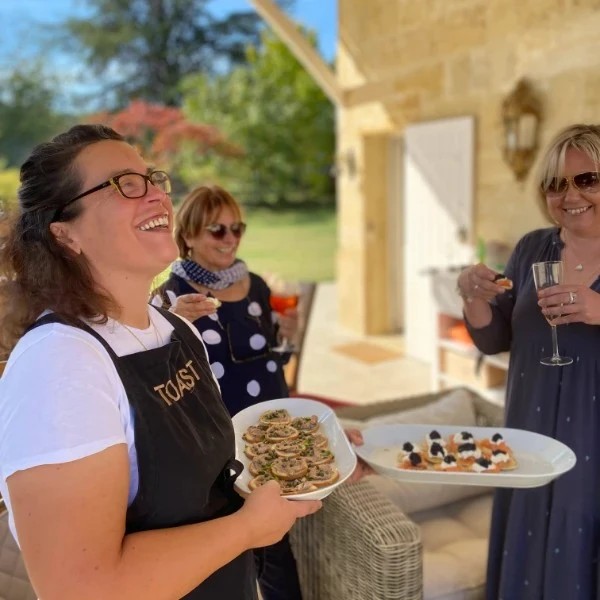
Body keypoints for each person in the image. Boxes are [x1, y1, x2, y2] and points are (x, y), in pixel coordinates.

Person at [0, 124, 321, 600]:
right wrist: (248, 531)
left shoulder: (175, 329)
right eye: (124, 184)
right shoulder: (60, 365)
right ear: (66, 233)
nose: (155, 195)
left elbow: (212, 470)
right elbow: (81, 590)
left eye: (151, 178)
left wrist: (309, 448)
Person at [456, 123, 600, 600]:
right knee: (528, 538)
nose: (570, 194)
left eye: (587, 180)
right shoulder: (532, 248)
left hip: (593, 441)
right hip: (528, 431)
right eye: (556, 183)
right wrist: (474, 298)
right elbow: (494, 336)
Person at [154, 184, 302, 600]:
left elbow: (273, 356)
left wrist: (289, 337)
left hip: (271, 426)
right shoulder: (169, 294)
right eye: (217, 230)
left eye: (237, 228)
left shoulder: (254, 285)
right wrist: (170, 324)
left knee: (276, 540)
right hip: (219, 436)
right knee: (240, 543)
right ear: (188, 236)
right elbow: (154, 374)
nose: (231, 239)